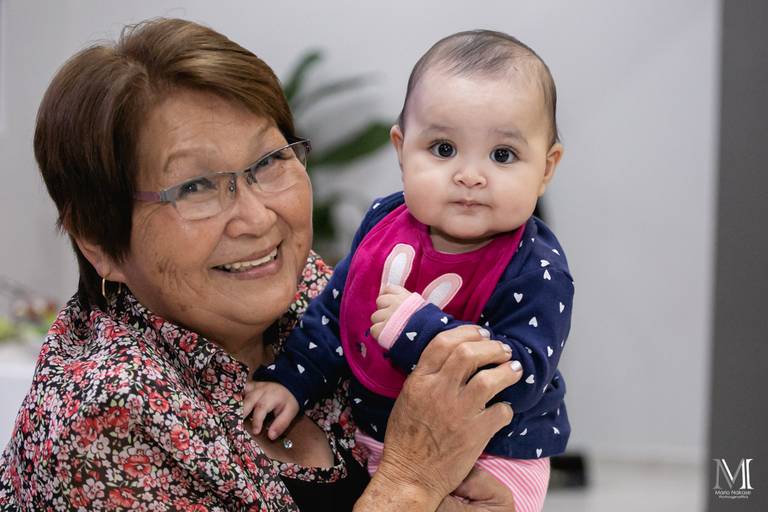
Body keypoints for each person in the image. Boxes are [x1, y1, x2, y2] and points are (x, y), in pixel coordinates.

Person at [0, 19, 525, 511]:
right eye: (196, 187)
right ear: (99, 242)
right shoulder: (101, 419)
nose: (256, 218)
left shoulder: (312, 294)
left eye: (270, 161)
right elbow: (414, 472)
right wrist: (411, 480)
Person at [246, 30, 574, 512]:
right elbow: (337, 313)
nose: (470, 175)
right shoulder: (384, 223)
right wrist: (291, 379)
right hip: (380, 441)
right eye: (443, 149)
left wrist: (418, 330)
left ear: (546, 168)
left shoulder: (536, 268)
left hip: (497, 456)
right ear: (402, 148)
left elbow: (520, 377)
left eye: (502, 155)